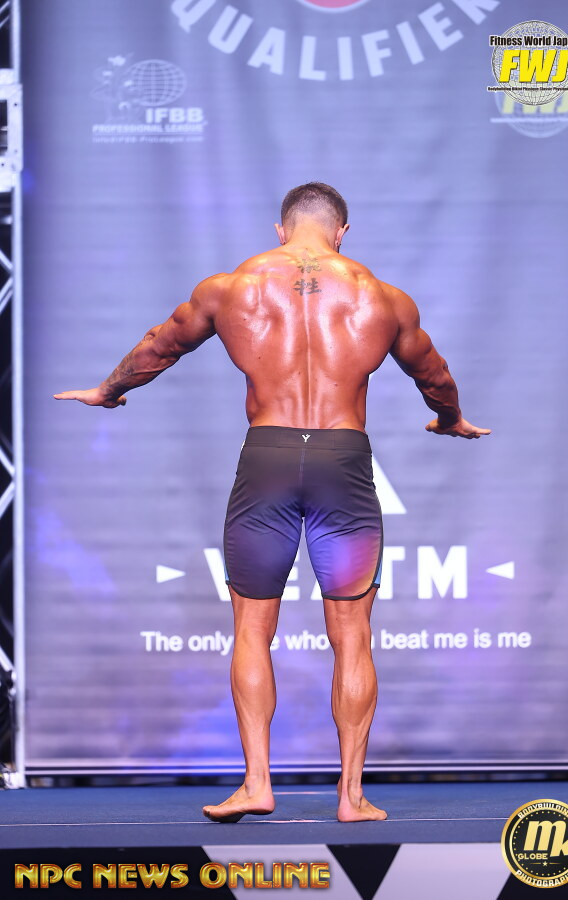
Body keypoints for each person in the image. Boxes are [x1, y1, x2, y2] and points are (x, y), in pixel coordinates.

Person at [54, 182, 490, 823]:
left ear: (282, 229)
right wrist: (450, 419)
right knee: (352, 635)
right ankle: (351, 797)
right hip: (343, 461)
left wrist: (109, 389)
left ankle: (257, 784)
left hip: (267, 460)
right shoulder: (382, 298)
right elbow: (434, 373)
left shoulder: (230, 288)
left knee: (252, 630)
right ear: (343, 231)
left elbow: (161, 344)